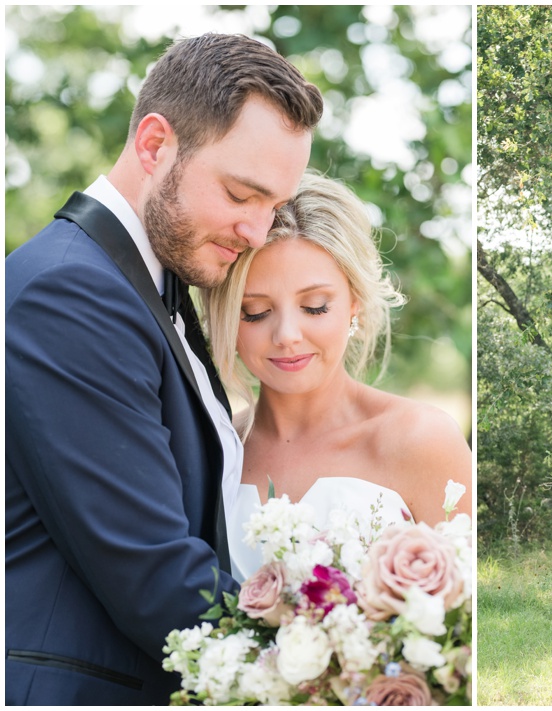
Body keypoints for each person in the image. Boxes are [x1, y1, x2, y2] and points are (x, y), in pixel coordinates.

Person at [5, 33, 324, 705]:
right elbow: (152, 572)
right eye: (242, 194)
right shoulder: (71, 292)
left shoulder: (149, 287)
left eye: (274, 206)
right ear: (155, 145)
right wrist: (334, 672)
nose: (257, 232)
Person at [203, 171, 473, 581]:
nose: (287, 337)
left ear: (354, 303)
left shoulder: (423, 440)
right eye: (255, 312)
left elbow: (465, 622)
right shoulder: (211, 451)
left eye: (314, 307)